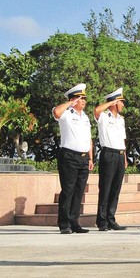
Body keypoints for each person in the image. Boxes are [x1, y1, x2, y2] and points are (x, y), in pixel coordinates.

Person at [53, 83, 93, 234]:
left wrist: (90, 158)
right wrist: (70, 103)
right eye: (80, 98)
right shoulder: (66, 114)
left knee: (79, 191)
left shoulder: (85, 117)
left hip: (83, 158)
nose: (84, 101)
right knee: (68, 190)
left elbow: (89, 138)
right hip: (69, 156)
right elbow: (56, 112)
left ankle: (74, 222)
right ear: (73, 99)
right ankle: (64, 224)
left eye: (84, 99)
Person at [94, 87, 129, 231]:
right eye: (121, 102)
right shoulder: (104, 116)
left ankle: (111, 218)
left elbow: (123, 140)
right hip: (108, 154)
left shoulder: (121, 120)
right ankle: (101, 221)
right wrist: (110, 103)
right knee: (105, 187)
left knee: (115, 189)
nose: (123, 105)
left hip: (120, 154)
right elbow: (96, 111)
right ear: (115, 102)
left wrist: (125, 157)